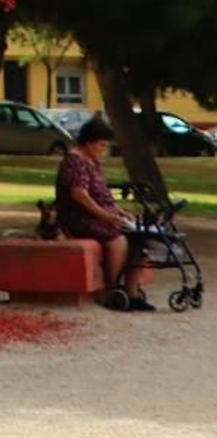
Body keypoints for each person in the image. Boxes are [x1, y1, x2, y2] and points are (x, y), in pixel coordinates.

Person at [55, 115, 152, 311]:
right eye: (100, 145)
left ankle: (132, 292)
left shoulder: (93, 161)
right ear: (88, 142)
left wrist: (120, 212)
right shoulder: (74, 162)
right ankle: (111, 288)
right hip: (80, 217)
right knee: (118, 240)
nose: (103, 150)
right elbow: (80, 196)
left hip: (102, 213)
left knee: (142, 238)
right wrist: (107, 216)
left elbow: (104, 195)